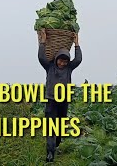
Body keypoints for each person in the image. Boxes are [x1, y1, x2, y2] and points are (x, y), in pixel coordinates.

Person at [37, 29, 82, 162]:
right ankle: (50, 153)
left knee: (61, 124)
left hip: (64, 101)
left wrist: (77, 43)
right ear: (56, 59)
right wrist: (43, 41)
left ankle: (56, 142)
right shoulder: (49, 67)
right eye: (60, 61)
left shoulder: (69, 69)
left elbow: (78, 59)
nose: (62, 63)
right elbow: (41, 57)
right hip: (51, 101)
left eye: (65, 61)